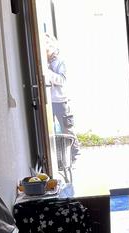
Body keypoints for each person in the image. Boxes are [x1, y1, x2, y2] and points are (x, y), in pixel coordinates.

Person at [45, 34, 79, 163]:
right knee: (49, 131)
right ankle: (57, 159)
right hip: (48, 102)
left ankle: (74, 155)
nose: (46, 48)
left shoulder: (61, 61)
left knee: (67, 129)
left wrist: (48, 73)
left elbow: (63, 80)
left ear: (54, 46)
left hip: (61, 101)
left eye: (48, 44)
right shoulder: (43, 61)